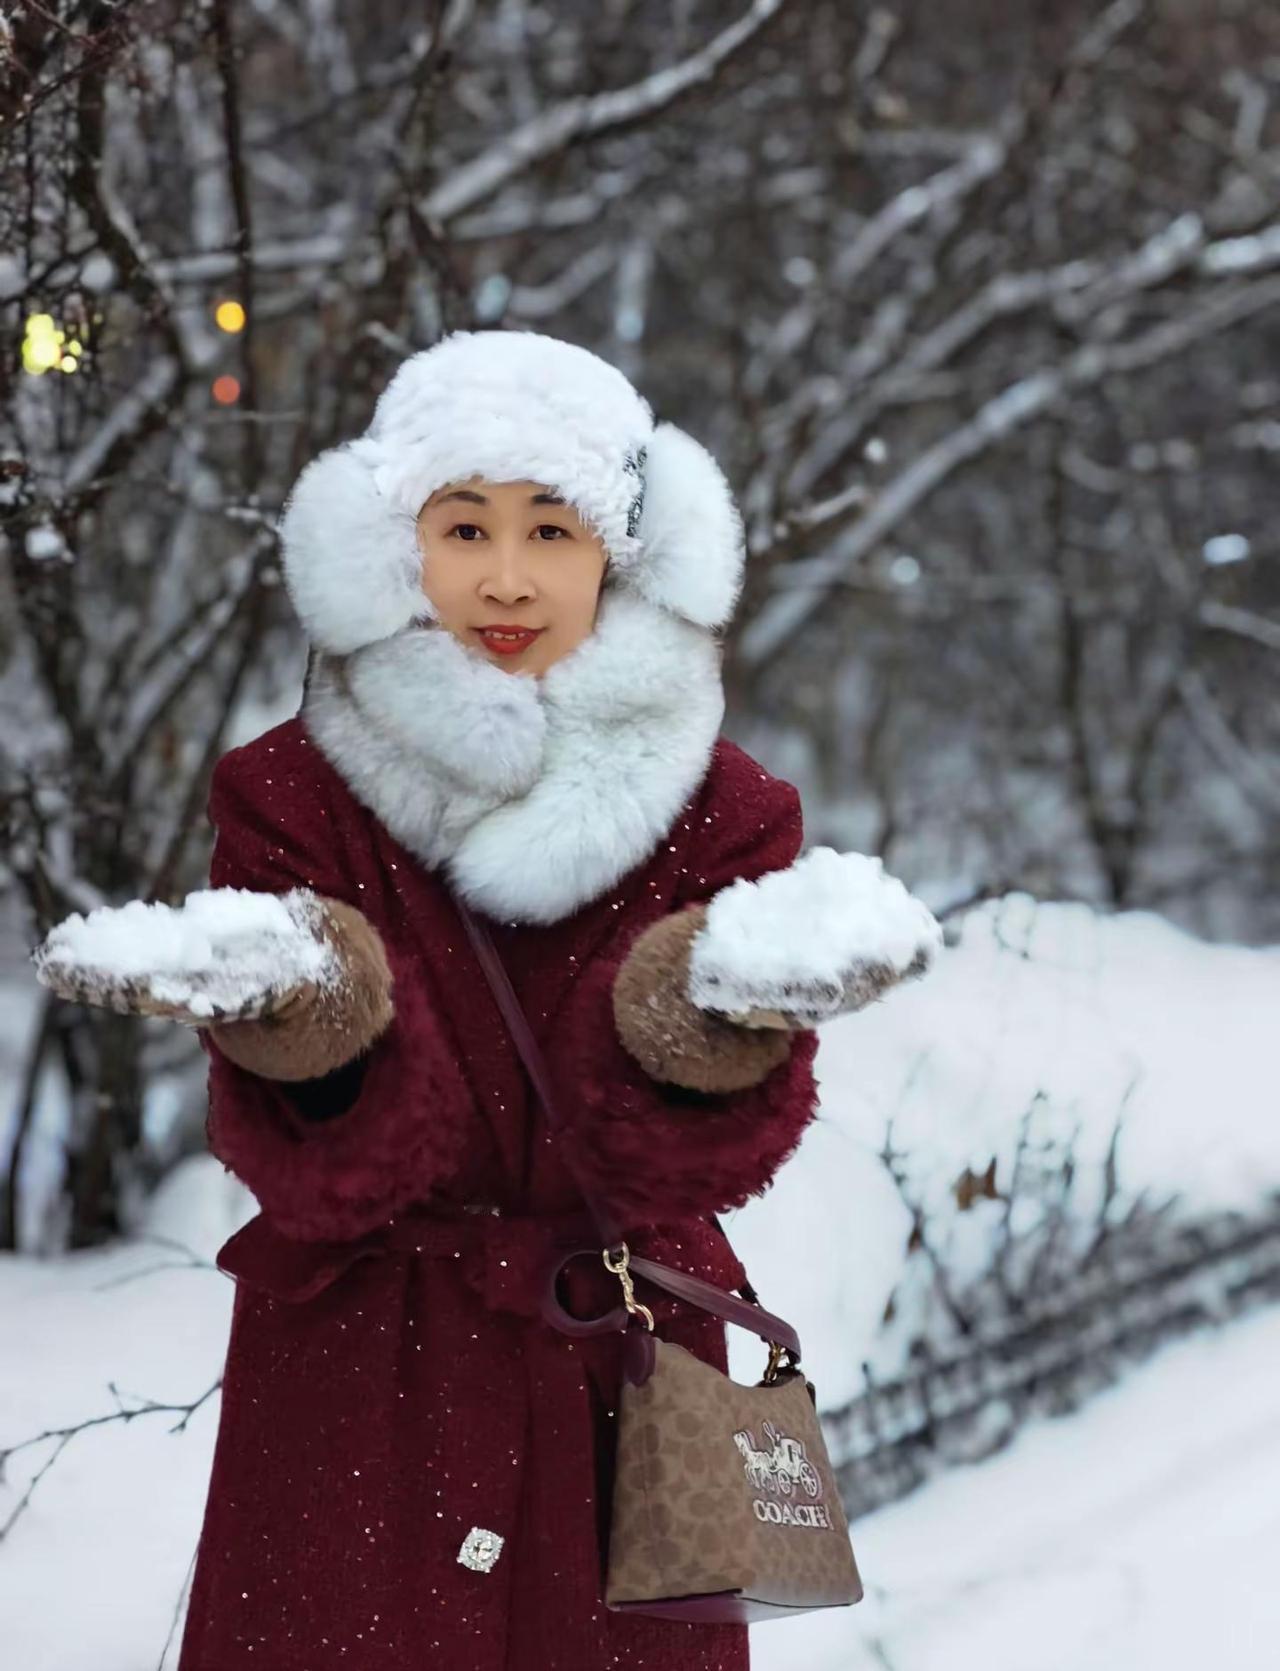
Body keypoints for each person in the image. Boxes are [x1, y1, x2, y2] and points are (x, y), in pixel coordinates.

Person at [34, 330, 938, 1670]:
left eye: (552, 530)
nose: (505, 578)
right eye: (464, 528)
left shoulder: (730, 811)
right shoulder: (289, 795)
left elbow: (694, 1153)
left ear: (620, 552)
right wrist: (311, 1034)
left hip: (622, 1367)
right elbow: (309, 1158)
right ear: (402, 545)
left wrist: (707, 1028)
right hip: (364, 1374)